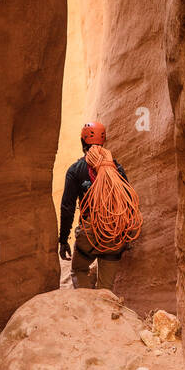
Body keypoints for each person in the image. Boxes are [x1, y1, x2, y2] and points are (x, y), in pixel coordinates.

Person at [58, 121, 132, 290]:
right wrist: (127, 236)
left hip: (90, 234)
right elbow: (128, 201)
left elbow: (67, 208)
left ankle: (87, 305)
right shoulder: (116, 168)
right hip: (114, 234)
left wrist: (63, 240)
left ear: (83, 142)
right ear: (103, 140)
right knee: (106, 290)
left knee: (79, 270)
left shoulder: (75, 170)